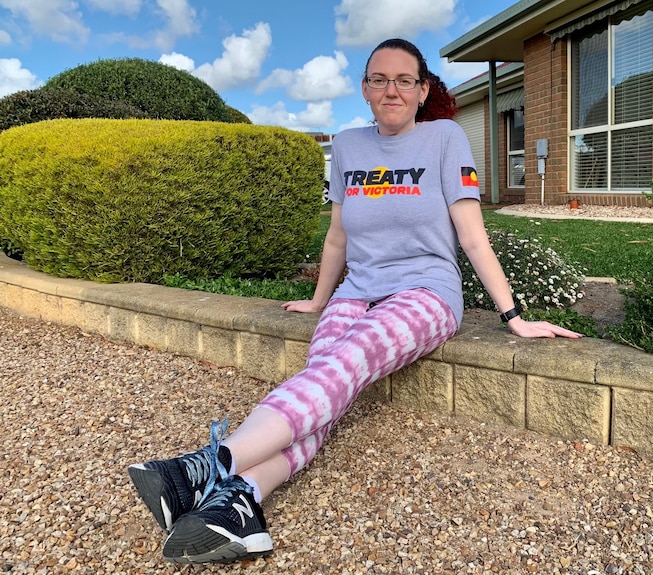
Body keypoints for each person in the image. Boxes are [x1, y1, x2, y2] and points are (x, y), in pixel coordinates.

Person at [128, 37, 583, 564]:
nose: (392, 89)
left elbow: (472, 235)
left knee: (350, 358)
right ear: (365, 88)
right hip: (357, 288)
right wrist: (319, 300)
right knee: (324, 381)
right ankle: (242, 503)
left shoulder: (445, 138)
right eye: (379, 79)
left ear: (422, 89)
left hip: (426, 292)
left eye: (404, 80)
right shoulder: (347, 145)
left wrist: (514, 316)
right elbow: (338, 237)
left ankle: (208, 466)